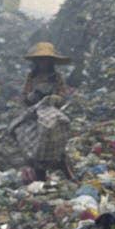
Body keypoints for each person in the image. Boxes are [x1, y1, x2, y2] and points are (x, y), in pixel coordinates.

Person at [20, 42, 75, 180]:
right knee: (36, 146)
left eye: (46, 59)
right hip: (35, 114)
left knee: (58, 146)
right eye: (40, 59)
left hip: (52, 113)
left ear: (51, 61)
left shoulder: (56, 77)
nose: (43, 62)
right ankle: (40, 177)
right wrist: (31, 97)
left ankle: (67, 172)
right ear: (36, 61)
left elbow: (63, 96)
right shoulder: (31, 77)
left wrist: (56, 98)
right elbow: (24, 98)